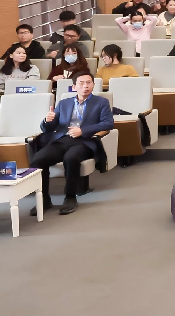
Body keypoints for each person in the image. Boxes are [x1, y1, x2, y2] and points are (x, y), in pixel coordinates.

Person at [28, 73, 113, 216]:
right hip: (62, 139)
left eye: (89, 82)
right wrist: (47, 121)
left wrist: (83, 131)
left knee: (71, 158)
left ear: (93, 85)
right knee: (38, 159)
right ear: (74, 87)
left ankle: (70, 197)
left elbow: (108, 123)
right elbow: (48, 128)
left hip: (84, 141)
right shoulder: (64, 103)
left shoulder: (101, 102)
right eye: (81, 83)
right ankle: (43, 199)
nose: (85, 86)